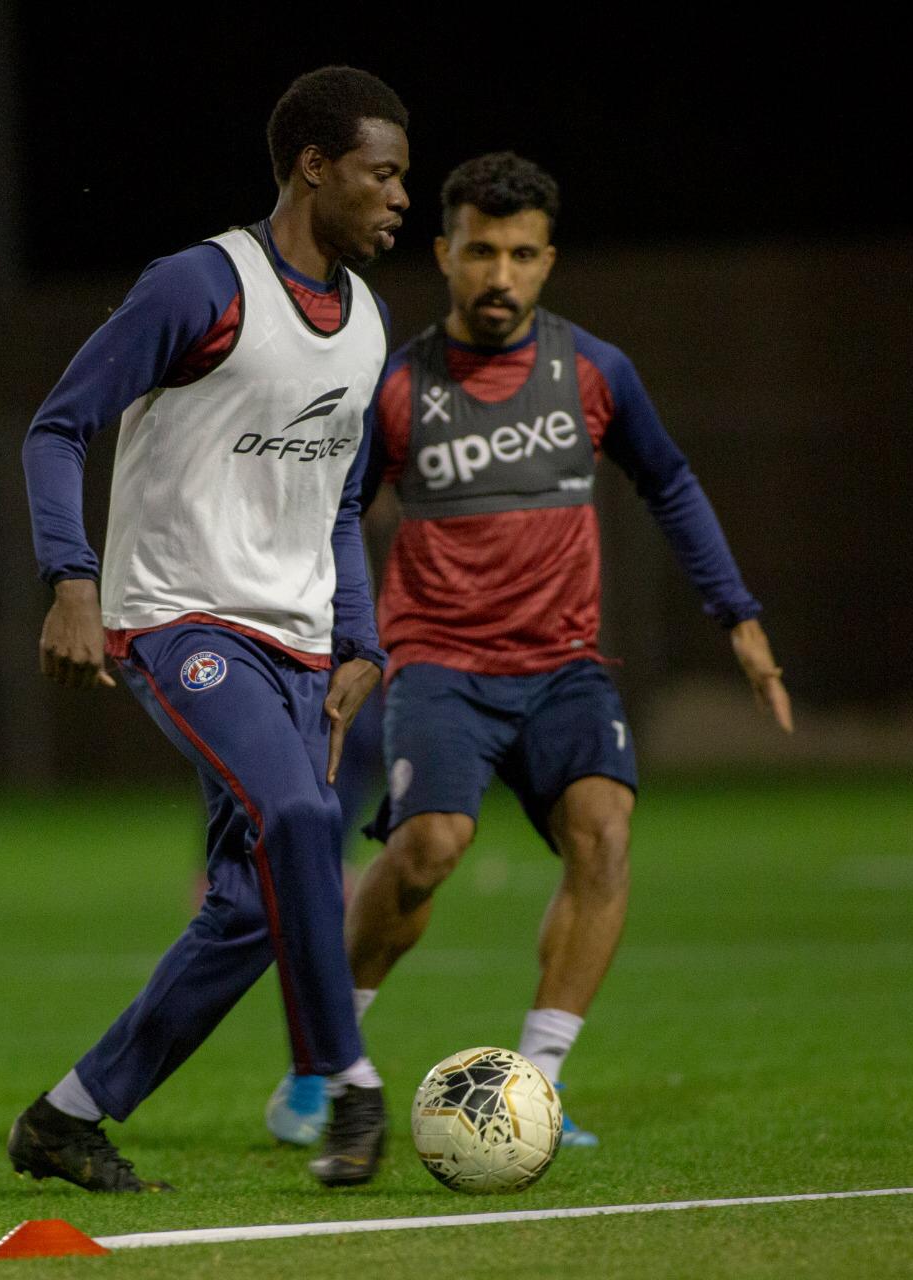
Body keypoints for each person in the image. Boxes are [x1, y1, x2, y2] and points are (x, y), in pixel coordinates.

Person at [266, 151, 792, 1147]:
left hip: (563, 665)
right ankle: (323, 1064)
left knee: (604, 830)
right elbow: (328, 511)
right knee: (427, 848)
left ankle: (536, 1084)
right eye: (478, 252)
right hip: (441, 663)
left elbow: (669, 483)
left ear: (547, 262)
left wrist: (739, 615)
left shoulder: (593, 371)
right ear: (444, 253)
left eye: (519, 254)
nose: (498, 274)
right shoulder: (396, 387)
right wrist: (327, 642)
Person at [7, 65, 410, 1193]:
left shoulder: (368, 323)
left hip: (297, 647)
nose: (397, 199)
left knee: (247, 907)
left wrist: (359, 640)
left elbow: (333, 501)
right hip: (179, 617)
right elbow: (57, 427)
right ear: (314, 166)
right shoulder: (200, 286)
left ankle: (68, 1113)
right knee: (299, 813)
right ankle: (347, 1080)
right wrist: (72, 580)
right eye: (381, 175)